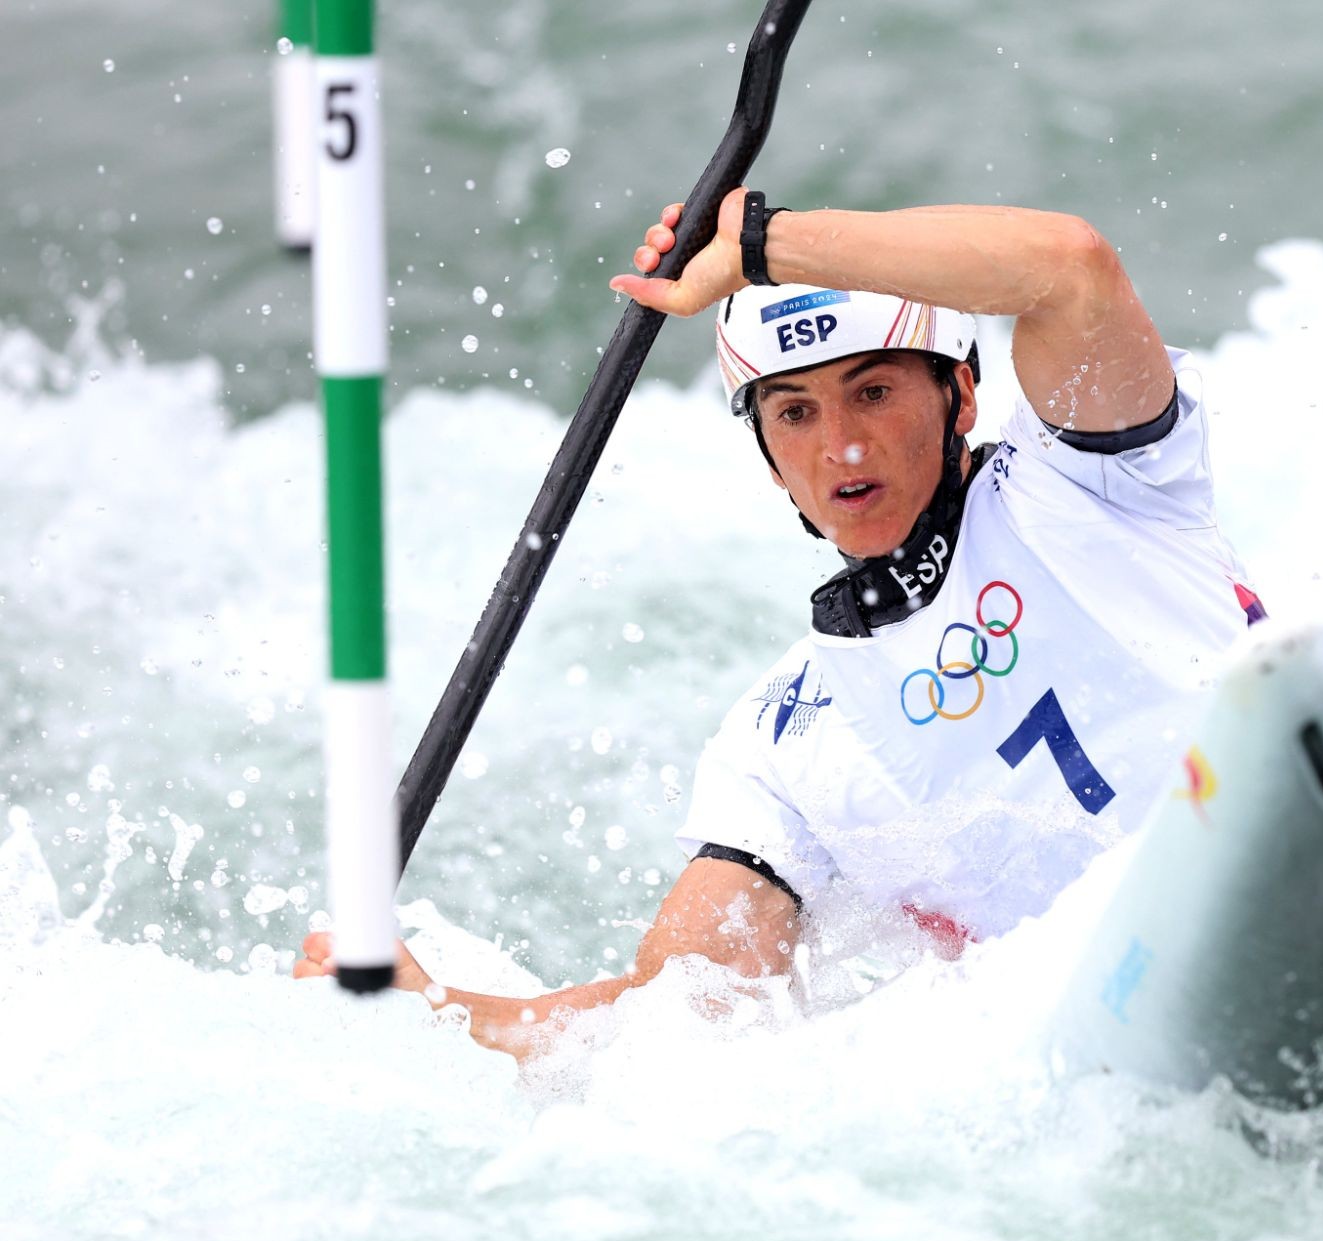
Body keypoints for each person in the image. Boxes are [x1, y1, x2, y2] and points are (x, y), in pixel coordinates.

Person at [295, 189, 1264, 1059]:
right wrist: (433, 1011)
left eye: (873, 392)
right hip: (1117, 1035)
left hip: (1266, 841)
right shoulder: (782, 746)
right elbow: (675, 1023)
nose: (841, 445)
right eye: (795, 413)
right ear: (767, 458)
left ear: (961, 394)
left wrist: (761, 244)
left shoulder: (1089, 479)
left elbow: (1071, 268)